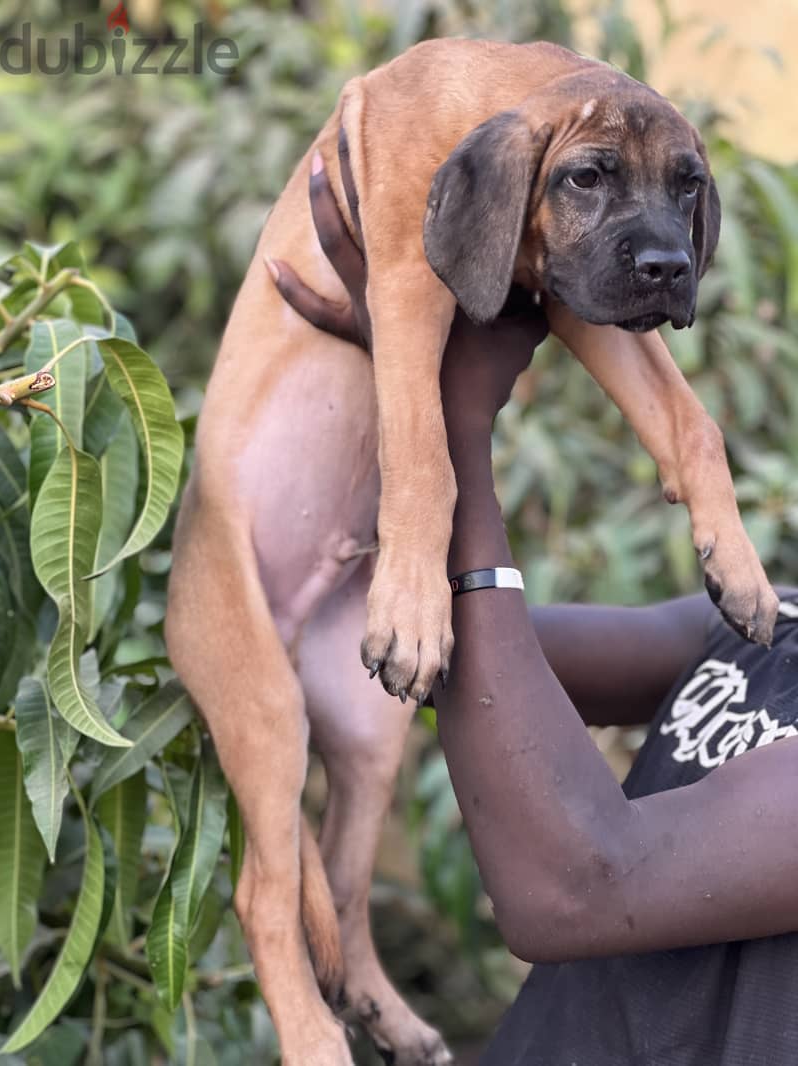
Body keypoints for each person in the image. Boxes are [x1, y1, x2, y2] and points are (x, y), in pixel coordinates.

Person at [270, 154, 798, 1065]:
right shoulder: (776, 620)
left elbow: (573, 886)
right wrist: (394, 370)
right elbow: (441, 657)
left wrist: (455, 429)